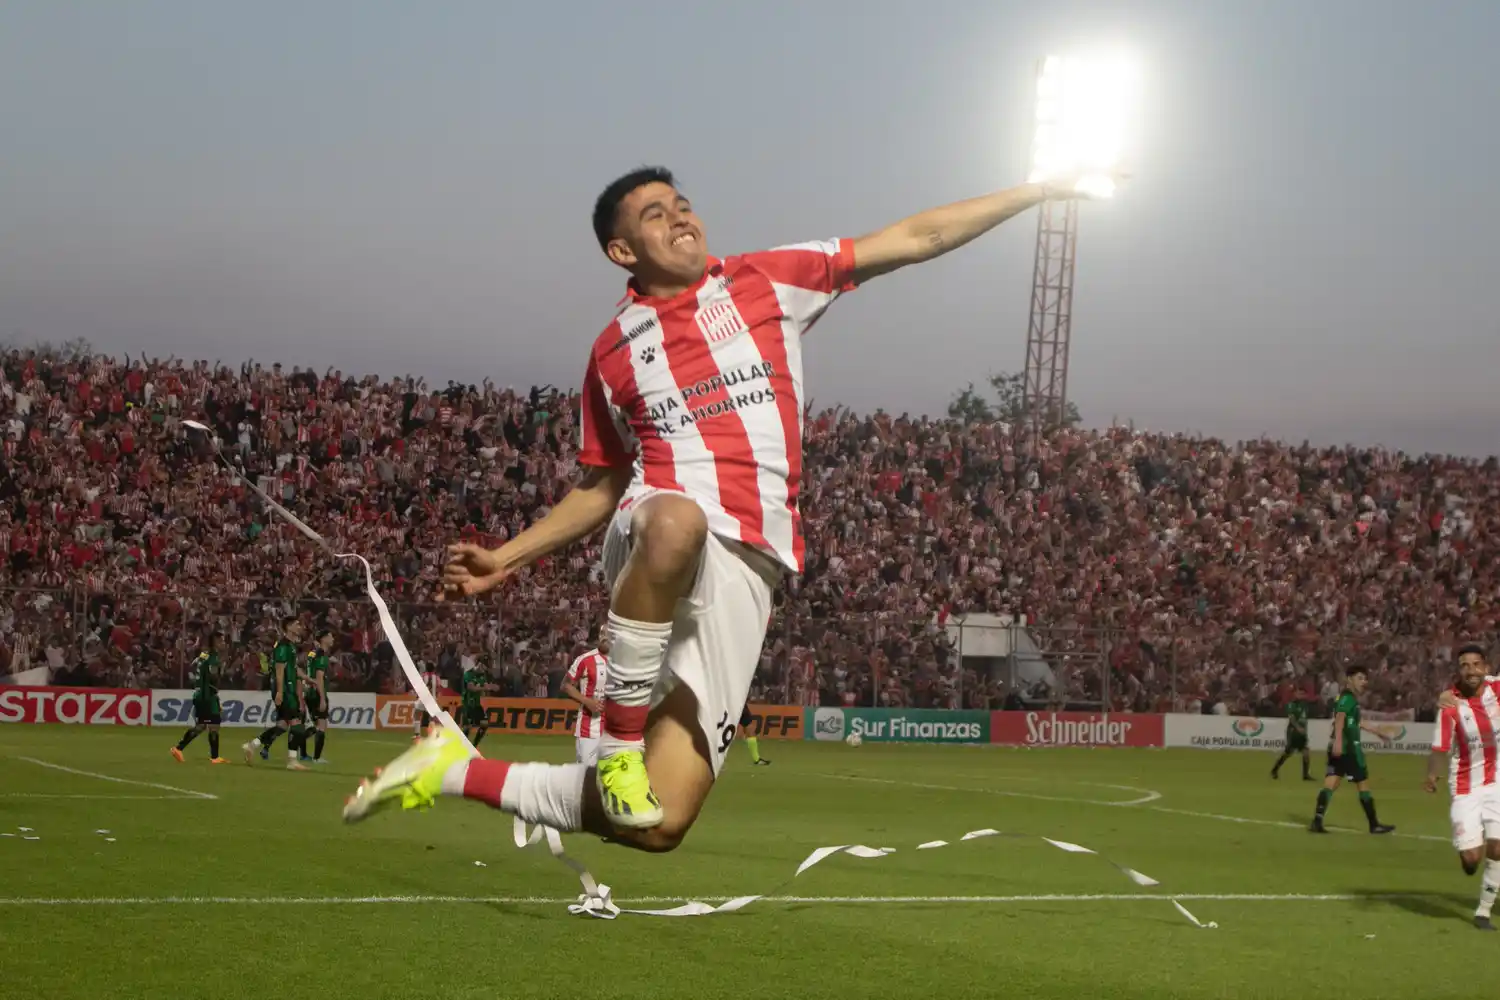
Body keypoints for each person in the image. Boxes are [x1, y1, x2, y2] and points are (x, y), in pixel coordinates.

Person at [345, 164, 1108, 850]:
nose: (680, 218)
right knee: (678, 523)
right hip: (660, 526)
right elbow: (603, 484)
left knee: (660, 823)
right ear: (622, 252)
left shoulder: (766, 281)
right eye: (654, 215)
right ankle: (615, 745)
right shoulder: (613, 349)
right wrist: (506, 558)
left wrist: (1038, 190)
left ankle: (450, 770)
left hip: (751, 570)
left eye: (682, 204)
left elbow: (914, 236)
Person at [1426, 644, 1500, 930]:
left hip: (1496, 784)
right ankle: (1469, 859)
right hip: (1465, 787)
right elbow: (1439, 747)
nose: (1471, 670)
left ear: (1485, 667)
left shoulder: (1495, 688)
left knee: (1497, 847)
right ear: (1458, 670)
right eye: (1465, 666)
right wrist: (1432, 775)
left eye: (1476, 664)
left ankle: (1483, 910)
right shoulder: (1450, 706)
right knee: (1471, 860)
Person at [1310, 665, 1394, 834]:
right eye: (1360, 678)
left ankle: (1317, 821)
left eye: (1365, 679)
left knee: (1331, 782)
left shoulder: (1346, 698)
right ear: (1350, 679)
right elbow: (1340, 718)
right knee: (1362, 784)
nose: (1364, 682)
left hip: (1341, 747)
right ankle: (1374, 824)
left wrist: (1378, 732)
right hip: (1349, 749)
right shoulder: (1348, 699)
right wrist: (1339, 741)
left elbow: (1355, 722)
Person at [244, 617, 308, 770]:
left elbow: (292, 667)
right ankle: (292, 761)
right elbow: (279, 670)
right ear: (288, 627)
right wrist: (279, 692)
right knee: (297, 725)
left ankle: (252, 745)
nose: (300, 626)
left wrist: (307, 679)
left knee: (282, 725)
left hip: (288, 689)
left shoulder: (291, 646)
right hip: (285, 690)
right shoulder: (282, 646)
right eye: (297, 624)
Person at [170, 632, 230, 764]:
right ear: (214, 643)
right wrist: (222, 670)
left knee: (202, 725)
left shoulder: (202, 656)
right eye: (221, 641)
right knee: (213, 725)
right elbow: (213, 678)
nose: (223, 644)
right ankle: (214, 757)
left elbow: (194, 666)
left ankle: (179, 749)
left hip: (200, 694)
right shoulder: (213, 659)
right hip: (207, 696)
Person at [561, 636, 608, 765]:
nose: (604, 637)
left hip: (615, 732)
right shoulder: (585, 659)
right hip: (589, 730)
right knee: (586, 778)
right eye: (602, 633)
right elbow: (566, 685)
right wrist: (587, 701)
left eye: (608, 632)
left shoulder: (623, 661)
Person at [299, 628, 334, 765]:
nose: (333, 639)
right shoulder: (321, 655)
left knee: (312, 727)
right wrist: (322, 698)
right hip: (317, 692)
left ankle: (301, 752)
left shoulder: (312, 653)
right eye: (330, 636)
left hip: (309, 691)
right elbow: (319, 677)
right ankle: (317, 758)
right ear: (323, 639)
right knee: (321, 724)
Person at [1271, 695, 1312, 780]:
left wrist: (1304, 731)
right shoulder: (1291, 705)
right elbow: (1291, 718)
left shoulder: (1304, 705)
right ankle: (1274, 770)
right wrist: (1298, 728)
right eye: (1298, 692)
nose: (1300, 694)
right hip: (1293, 733)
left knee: (1306, 752)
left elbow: (1304, 720)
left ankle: (1305, 775)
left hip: (1301, 733)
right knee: (1288, 753)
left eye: (1302, 693)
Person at [459, 655, 495, 750]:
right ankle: (462, 746)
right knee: (467, 727)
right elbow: (471, 688)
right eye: (484, 666)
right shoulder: (468, 674)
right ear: (479, 664)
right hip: (467, 704)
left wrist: (491, 687)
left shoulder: (482, 676)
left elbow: (486, 686)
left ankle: (474, 746)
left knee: (484, 724)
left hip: (477, 704)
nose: (485, 669)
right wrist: (484, 688)